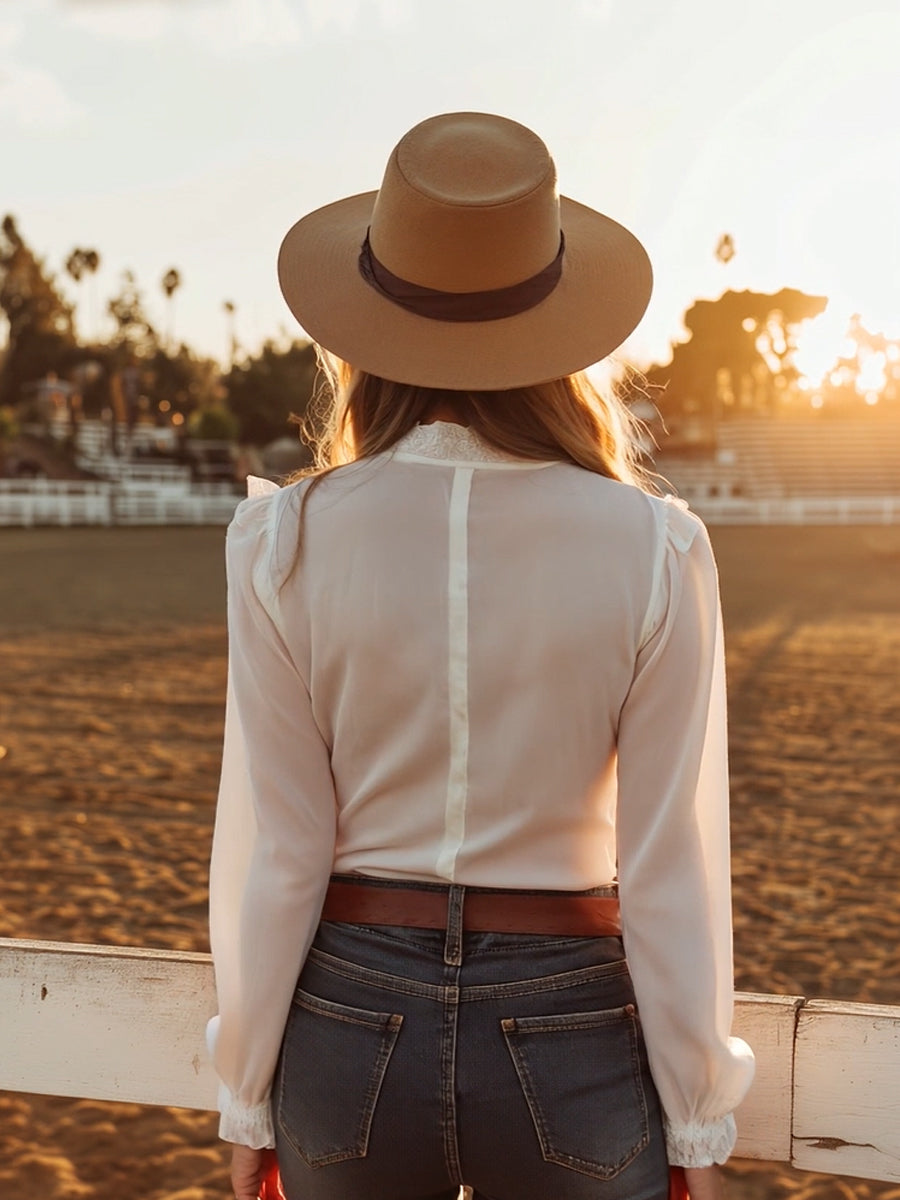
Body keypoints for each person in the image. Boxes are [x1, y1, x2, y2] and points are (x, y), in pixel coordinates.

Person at [207, 111, 755, 1200]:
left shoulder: (280, 541)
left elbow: (282, 854)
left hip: (347, 1018)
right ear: (557, 325)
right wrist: (693, 1122)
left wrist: (245, 1094)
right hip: (573, 1025)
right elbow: (664, 869)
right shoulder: (656, 547)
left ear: (366, 326)